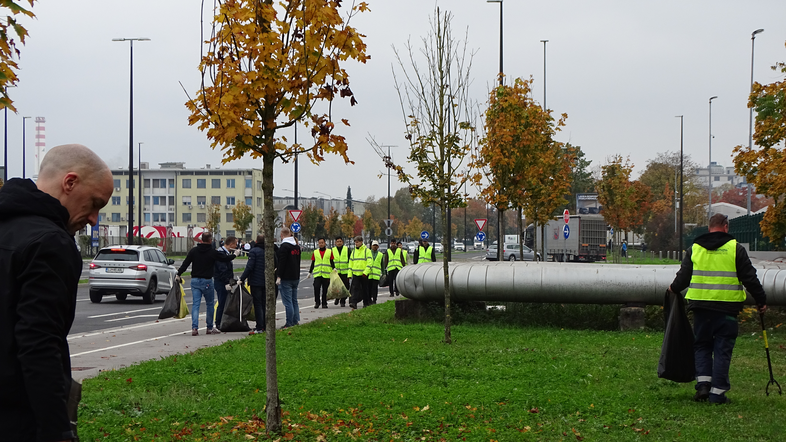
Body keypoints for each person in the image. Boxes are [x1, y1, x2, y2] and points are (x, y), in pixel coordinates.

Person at [0, 144, 113, 441]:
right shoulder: (50, 244)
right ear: (70, 183)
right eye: (94, 204)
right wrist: (57, 430)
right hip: (18, 417)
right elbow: (39, 344)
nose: (93, 219)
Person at [669, 213, 767, 404]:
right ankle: (718, 393)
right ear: (726, 227)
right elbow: (750, 278)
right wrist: (761, 300)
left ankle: (703, 386)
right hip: (727, 310)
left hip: (701, 308)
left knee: (702, 345)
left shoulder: (694, 249)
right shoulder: (735, 249)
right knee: (722, 349)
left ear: (709, 228)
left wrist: (672, 288)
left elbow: (683, 277)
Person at [177, 232, 238, 336]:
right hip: (207, 281)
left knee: (196, 304)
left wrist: (178, 274)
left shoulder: (194, 251)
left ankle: (194, 328)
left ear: (201, 240)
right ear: (210, 240)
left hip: (195, 280)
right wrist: (234, 255)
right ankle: (209, 327)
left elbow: (185, 263)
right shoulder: (212, 252)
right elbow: (224, 258)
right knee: (209, 304)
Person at [240, 235, 276, 334]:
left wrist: (242, 278)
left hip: (256, 281)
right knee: (265, 303)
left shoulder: (254, 251)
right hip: (267, 281)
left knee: (258, 304)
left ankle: (260, 326)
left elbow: (250, 267)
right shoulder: (269, 251)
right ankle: (265, 324)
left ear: (256, 241)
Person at [277, 226, 302, 328]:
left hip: (286, 277)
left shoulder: (284, 247)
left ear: (282, 235)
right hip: (295, 276)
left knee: (288, 302)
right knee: (294, 300)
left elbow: (282, 263)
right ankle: (295, 320)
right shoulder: (296, 247)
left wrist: (279, 276)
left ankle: (289, 322)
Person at [213, 235, 238, 331]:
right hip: (221, 282)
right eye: (235, 244)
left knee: (225, 302)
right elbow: (222, 269)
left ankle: (223, 322)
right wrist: (226, 282)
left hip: (223, 281)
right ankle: (218, 323)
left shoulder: (225, 253)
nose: (236, 246)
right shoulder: (221, 253)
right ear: (231, 244)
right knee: (222, 302)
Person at [309, 237, 334, 308]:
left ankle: (324, 303)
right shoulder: (315, 252)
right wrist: (310, 272)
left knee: (325, 289)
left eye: (322, 243)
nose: (321, 244)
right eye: (319, 243)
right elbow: (313, 262)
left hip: (326, 274)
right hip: (317, 274)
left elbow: (331, 261)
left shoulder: (329, 252)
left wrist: (334, 268)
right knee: (316, 287)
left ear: (325, 243)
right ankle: (317, 302)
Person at [349, 236, 372, 309]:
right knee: (355, 289)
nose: (356, 244)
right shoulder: (354, 251)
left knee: (365, 289)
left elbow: (370, 263)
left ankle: (366, 303)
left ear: (361, 242)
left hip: (364, 274)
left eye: (357, 242)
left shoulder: (367, 251)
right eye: (355, 242)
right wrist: (349, 274)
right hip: (356, 274)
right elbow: (350, 263)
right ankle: (354, 303)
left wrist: (366, 272)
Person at [332, 236, 351, 307]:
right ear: (335, 243)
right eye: (338, 242)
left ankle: (343, 300)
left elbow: (350, 260)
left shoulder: (347, 249)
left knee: (345, 287)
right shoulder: (333, 250)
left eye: (340, 241)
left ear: (342, 242)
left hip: (345, 272)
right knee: (337, 287)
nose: (339, 243)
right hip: (336, 272)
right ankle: (337, 298)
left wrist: (350, 272)